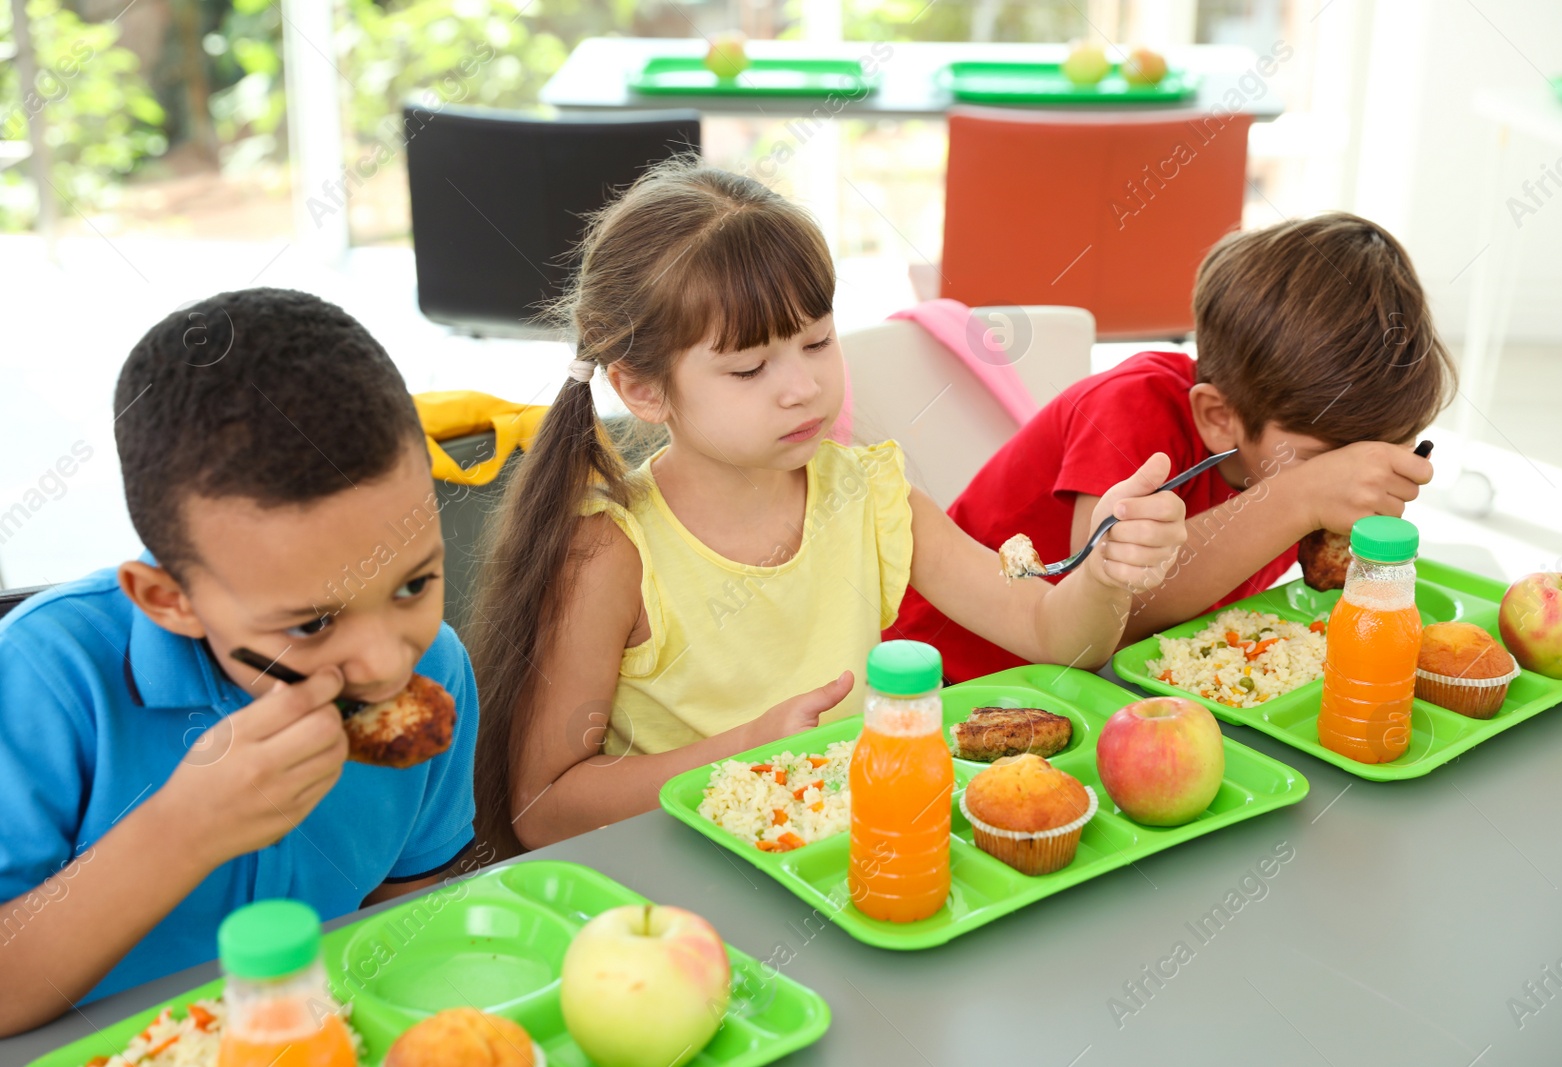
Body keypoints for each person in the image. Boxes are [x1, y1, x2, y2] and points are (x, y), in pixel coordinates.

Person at [468, 161, 1188, 856]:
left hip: (853, 862)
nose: (803, 387)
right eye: (750, 368)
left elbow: (1054, 634)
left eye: (817, 342)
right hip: (691, 884)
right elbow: (543, 809)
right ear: (645, 391)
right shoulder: (613, 550)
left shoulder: (869, 494)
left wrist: (1106, 570)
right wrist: (746, 749)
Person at [0, 289, 479, 1034]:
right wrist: (185, 830)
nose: (387, 664)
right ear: (168, 599)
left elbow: (408, 908)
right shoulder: (44, 682)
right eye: (314, 622)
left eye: (414, 583)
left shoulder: (438, 667)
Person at [893, 212, 1455, 681]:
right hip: (957, 676)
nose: (1345, 481)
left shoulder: (1294, 448)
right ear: (1218, 417)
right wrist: (1297, 498)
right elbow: (1113, 613)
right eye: (1324, 464)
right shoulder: (1128, 410)